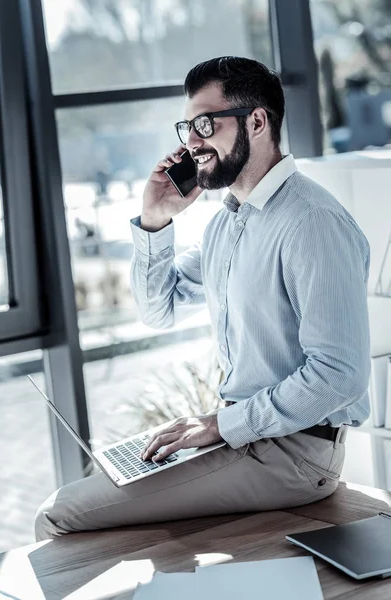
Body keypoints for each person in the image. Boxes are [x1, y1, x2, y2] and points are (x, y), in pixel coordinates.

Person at [35, 56, 371, 541]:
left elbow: (338, 376)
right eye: (188, 125)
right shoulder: (228, 224)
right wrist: (154, 219)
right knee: (107, 479)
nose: (191, 142)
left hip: (294, 456)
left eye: (205, 124)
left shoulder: (311, 223)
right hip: (248, 438)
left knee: (59, 513)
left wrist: (221, 425)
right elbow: (159, 308)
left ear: (257, 121)